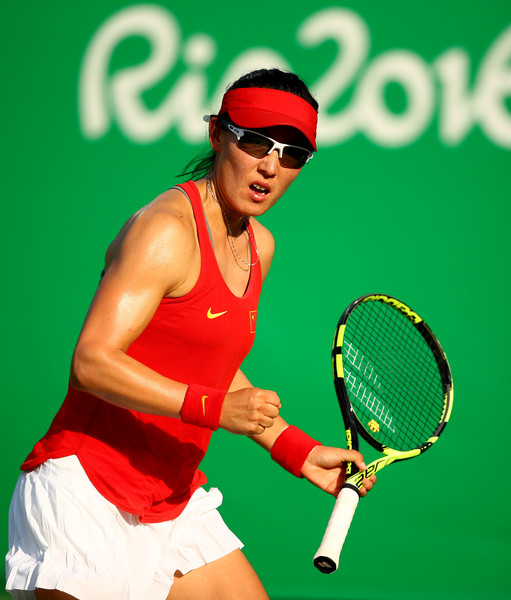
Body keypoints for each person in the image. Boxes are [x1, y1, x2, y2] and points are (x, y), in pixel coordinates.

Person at [5, 68, 375, 600]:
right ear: (217, 135)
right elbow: (91, 362)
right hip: (85, 493)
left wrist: (294, 448)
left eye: (292, 153)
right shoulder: (166, 230)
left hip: (171, 498)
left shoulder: (259, 246)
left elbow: (209, 362)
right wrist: (212, 409)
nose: (270, 166)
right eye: (255, 142)